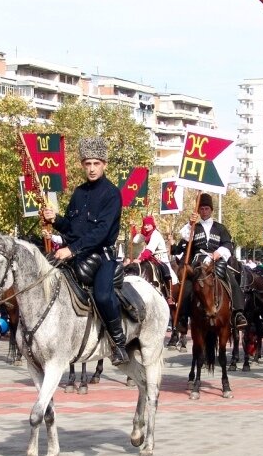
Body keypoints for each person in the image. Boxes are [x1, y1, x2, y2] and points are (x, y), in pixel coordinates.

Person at [39, 136, 128, 366]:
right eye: (87, 163)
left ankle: (119, 344)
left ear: (104, 164)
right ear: (82, 165)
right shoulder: (78, 193)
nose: (91, 168)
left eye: (96, 163)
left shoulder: (112, 194)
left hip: (103, 258)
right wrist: (55, 219)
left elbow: (101, 231)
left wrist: (72, 249)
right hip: (77, 255)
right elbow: (72, 228)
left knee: (102, 295)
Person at [178, 193, 247, 327]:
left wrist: (219, 252)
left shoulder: (220, 228)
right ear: (198, 211)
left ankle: (238, 313)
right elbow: (185, 238)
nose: (204, 211)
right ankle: (183, 317)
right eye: (202, 209)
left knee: (230, 279)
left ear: (211, 210)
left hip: (216, 260)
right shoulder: (194, 227)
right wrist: (190, 223)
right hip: (198, 262)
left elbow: (228, 244)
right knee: (186, 285)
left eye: (206, 209)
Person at [132, 215, 177, 286]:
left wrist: (140, 259)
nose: (146, 227)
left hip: (161, 259)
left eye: (148, 225)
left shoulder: (155, 234)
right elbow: (135, 240)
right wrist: (133, 228)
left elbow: (150, 249)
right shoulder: (146, 235)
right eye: (145, 225)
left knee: (169, 275)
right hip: (151, 259)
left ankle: (169, 292)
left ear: (152, 225)